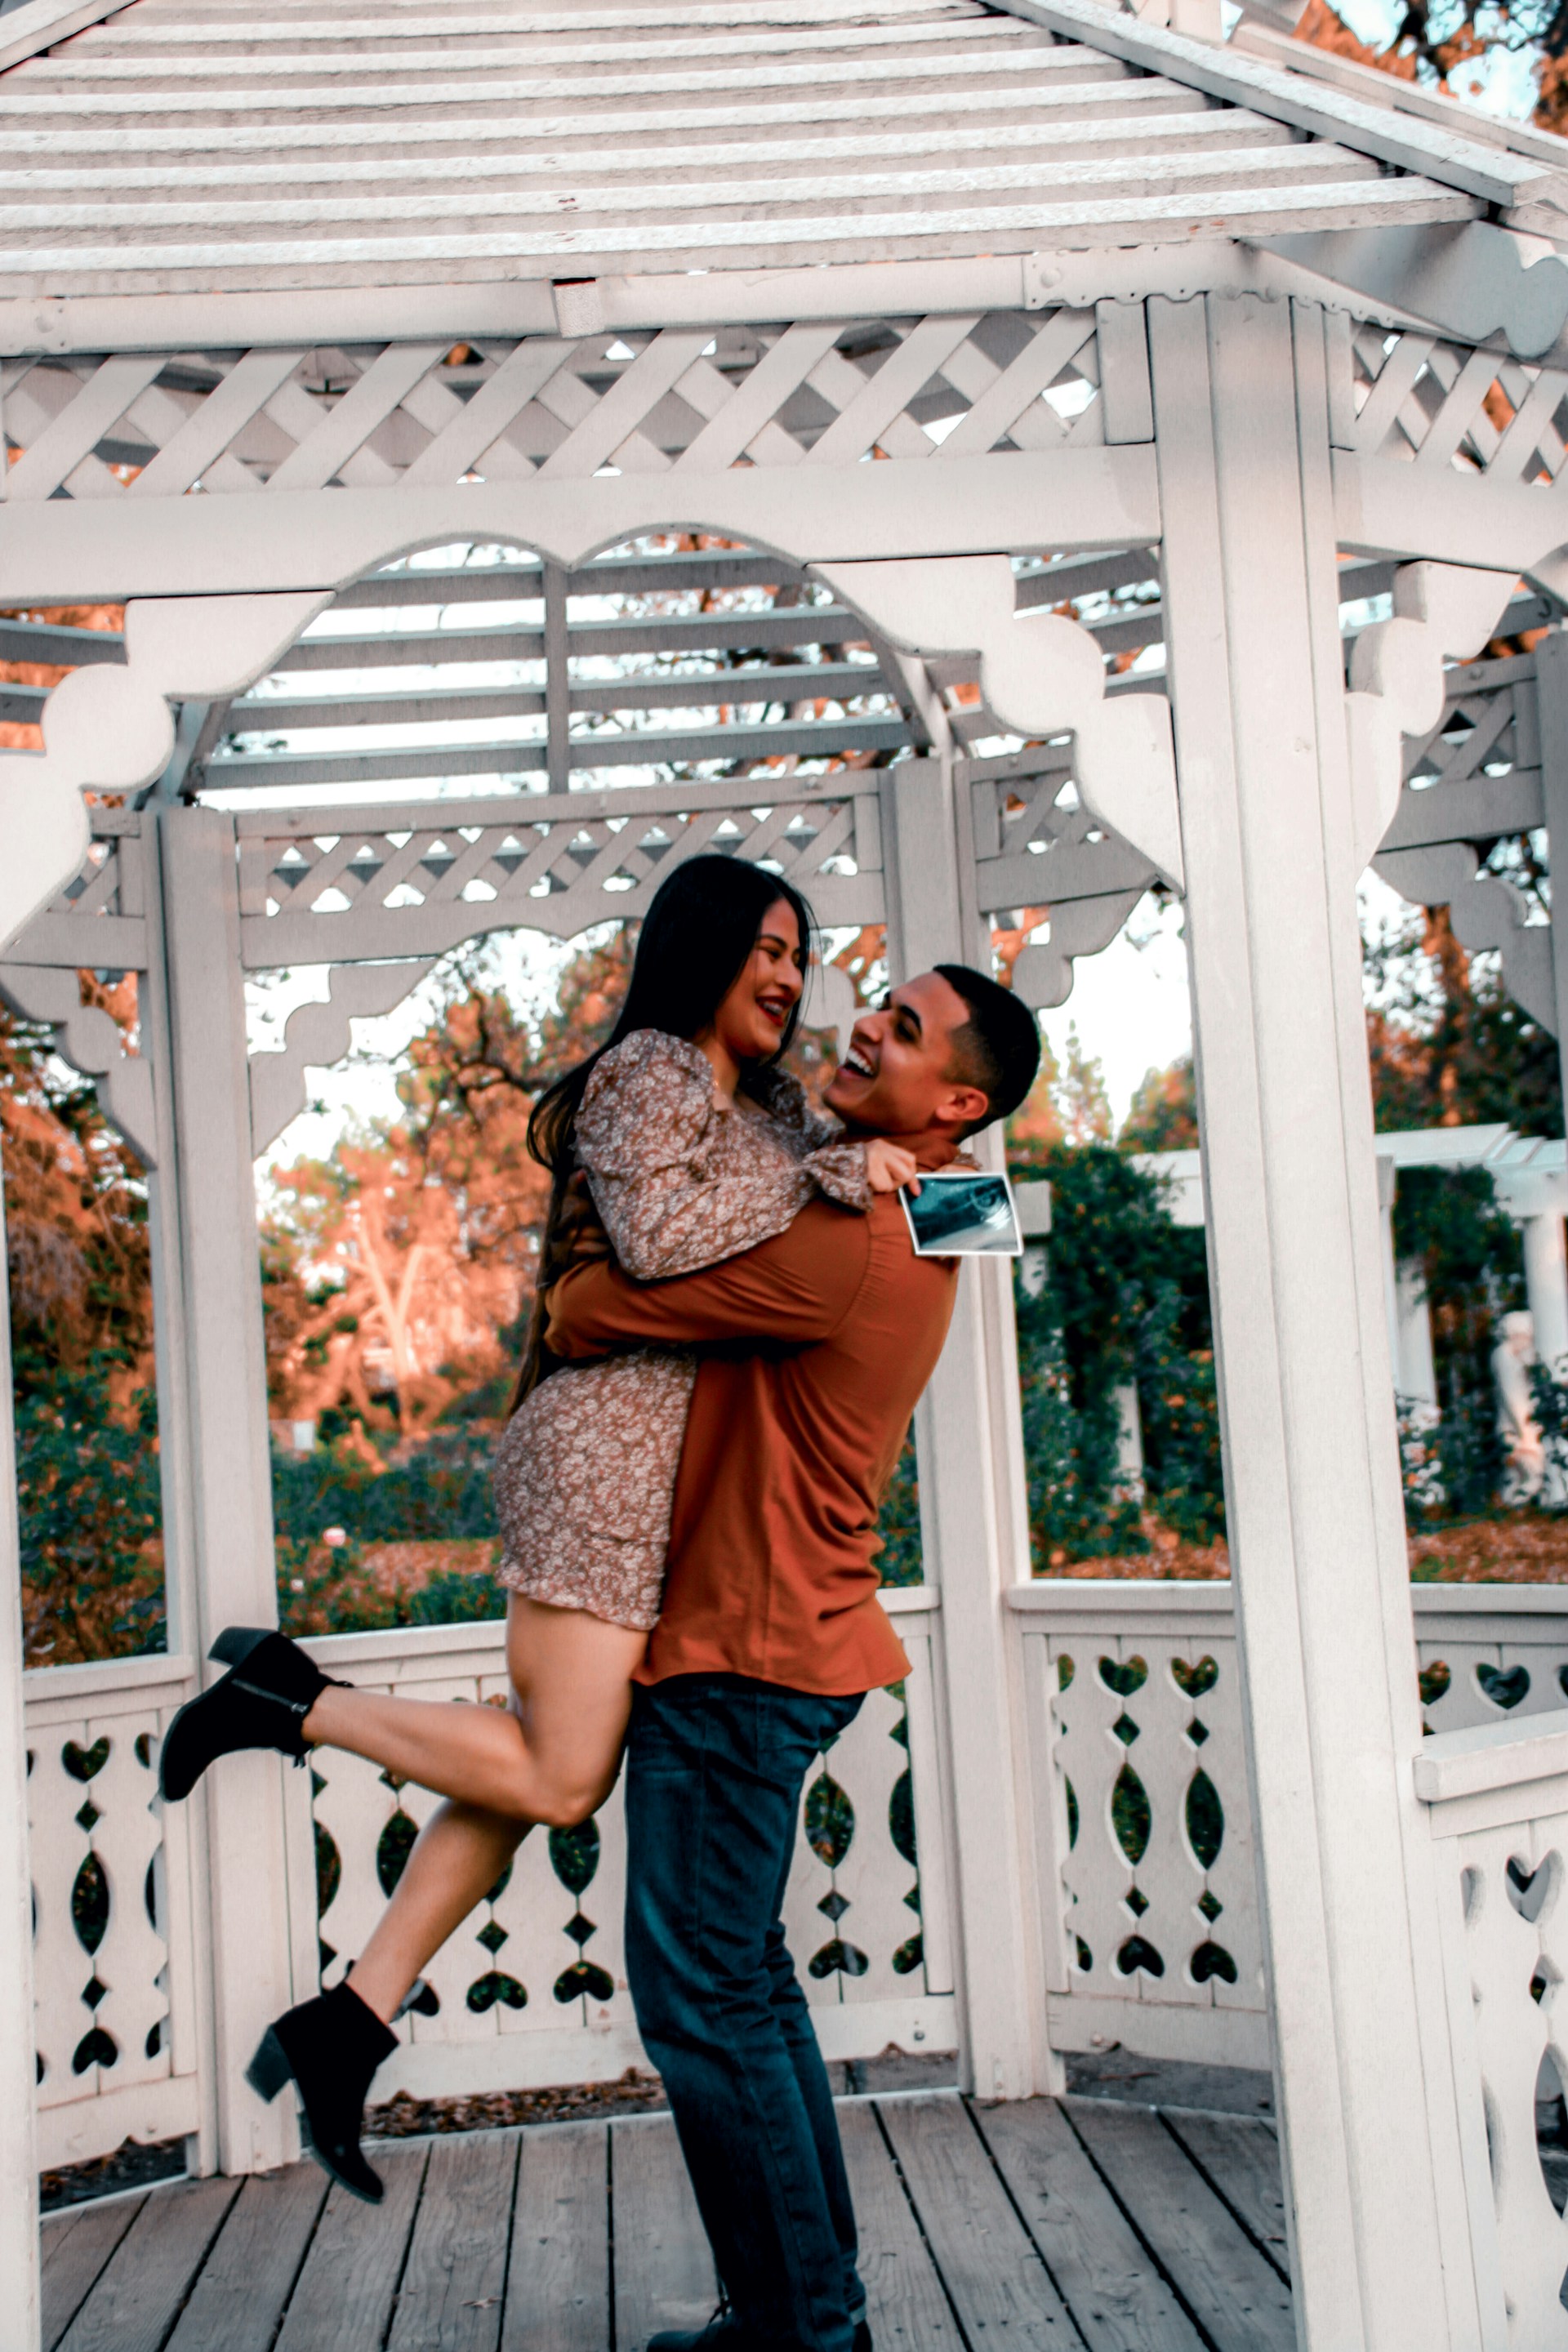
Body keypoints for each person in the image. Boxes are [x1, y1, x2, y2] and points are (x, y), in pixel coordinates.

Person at [156, 855, 917, 2202]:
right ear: (701, 952)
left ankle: (351, 2022)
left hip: (668, 1485)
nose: (790, 977)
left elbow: (851, 1202)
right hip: (603, 1459)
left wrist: (857, 1164)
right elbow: (663, 1240)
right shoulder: (647, 1074)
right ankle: (291, 1700)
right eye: (765, 949)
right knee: (563, 1779)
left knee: (531, 1767)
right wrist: (835, 1176)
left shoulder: (775, 1104)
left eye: (799, 953)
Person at [543, 961, 1040, 2352]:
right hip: (775, 1639)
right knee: (743, 1986)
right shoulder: (909, 1202)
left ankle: (801, 2332)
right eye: (878, 999)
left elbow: (594, 1311)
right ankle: (804, 2314)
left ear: (957, 1104)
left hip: (744, 1652)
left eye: (907, 1028)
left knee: (703, 2000)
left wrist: (572, 1288)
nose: (867, 1021)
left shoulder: (857, 1239)